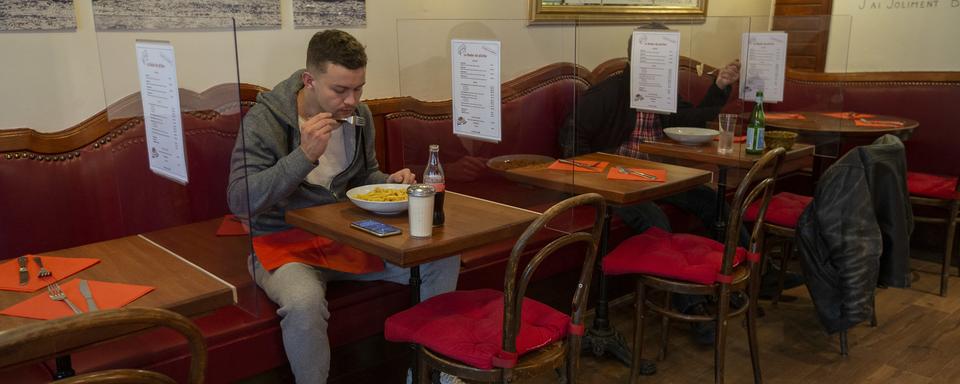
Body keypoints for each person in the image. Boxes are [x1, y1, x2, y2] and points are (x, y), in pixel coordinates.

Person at [227, 30, 460, 383]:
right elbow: (240, 199)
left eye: (359, 88)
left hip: (348, 236)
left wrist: (388, 182)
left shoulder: (359, 115)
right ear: (309, 80)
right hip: (283, 244)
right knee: (303, 302)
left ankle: (429, 372)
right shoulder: (264, 122)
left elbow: (364, 175)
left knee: (442, 255)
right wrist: (303, 156)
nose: (352, 100)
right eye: (340, 90)